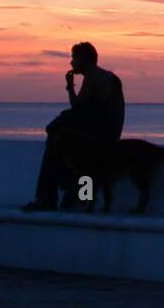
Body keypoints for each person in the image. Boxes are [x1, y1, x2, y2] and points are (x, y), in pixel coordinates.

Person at [22, 42, 125, 212]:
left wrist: (70, 86)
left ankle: (49, 196)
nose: (71, 63)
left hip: (101, 136)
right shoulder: (104, 76)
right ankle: (77, 195)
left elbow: (78, 107)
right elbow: (84, 111)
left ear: (85, 59)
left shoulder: (93, 76)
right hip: (105, 132)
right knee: (63, 139)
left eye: (74, 58)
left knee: (58, 141)